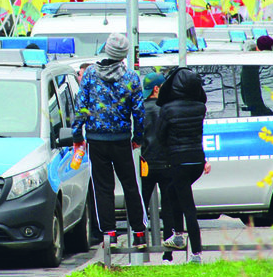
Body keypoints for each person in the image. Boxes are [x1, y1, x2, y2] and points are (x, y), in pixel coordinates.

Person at [72, 33, 147, 249]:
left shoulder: (90, 75)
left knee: (103, 188)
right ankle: (139, 234)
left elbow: (81, 108)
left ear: (105, 49)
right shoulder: (131, 77)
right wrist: (137, 137)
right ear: (124, 54)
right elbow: (139, 112)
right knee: (131, 186)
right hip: (122, 140)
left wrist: (78, 135)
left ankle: (110, 235)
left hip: (96, 140)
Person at [157, 67, 210, 264]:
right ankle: (178, 235)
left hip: (179, 161)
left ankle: (194, 251)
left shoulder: (168, 109)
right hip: (197, 159)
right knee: (172, 193)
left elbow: (161, 136)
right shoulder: (200, 108)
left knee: (188, 206)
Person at [138, 72, 175, 264]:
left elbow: (137, 138)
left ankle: (139, 243)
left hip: (146, 164)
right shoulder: (167, 109)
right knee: (168, 206)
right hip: (167, 163)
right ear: (158, 90)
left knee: (141, 204)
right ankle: (168, 250)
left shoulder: (141, 109)